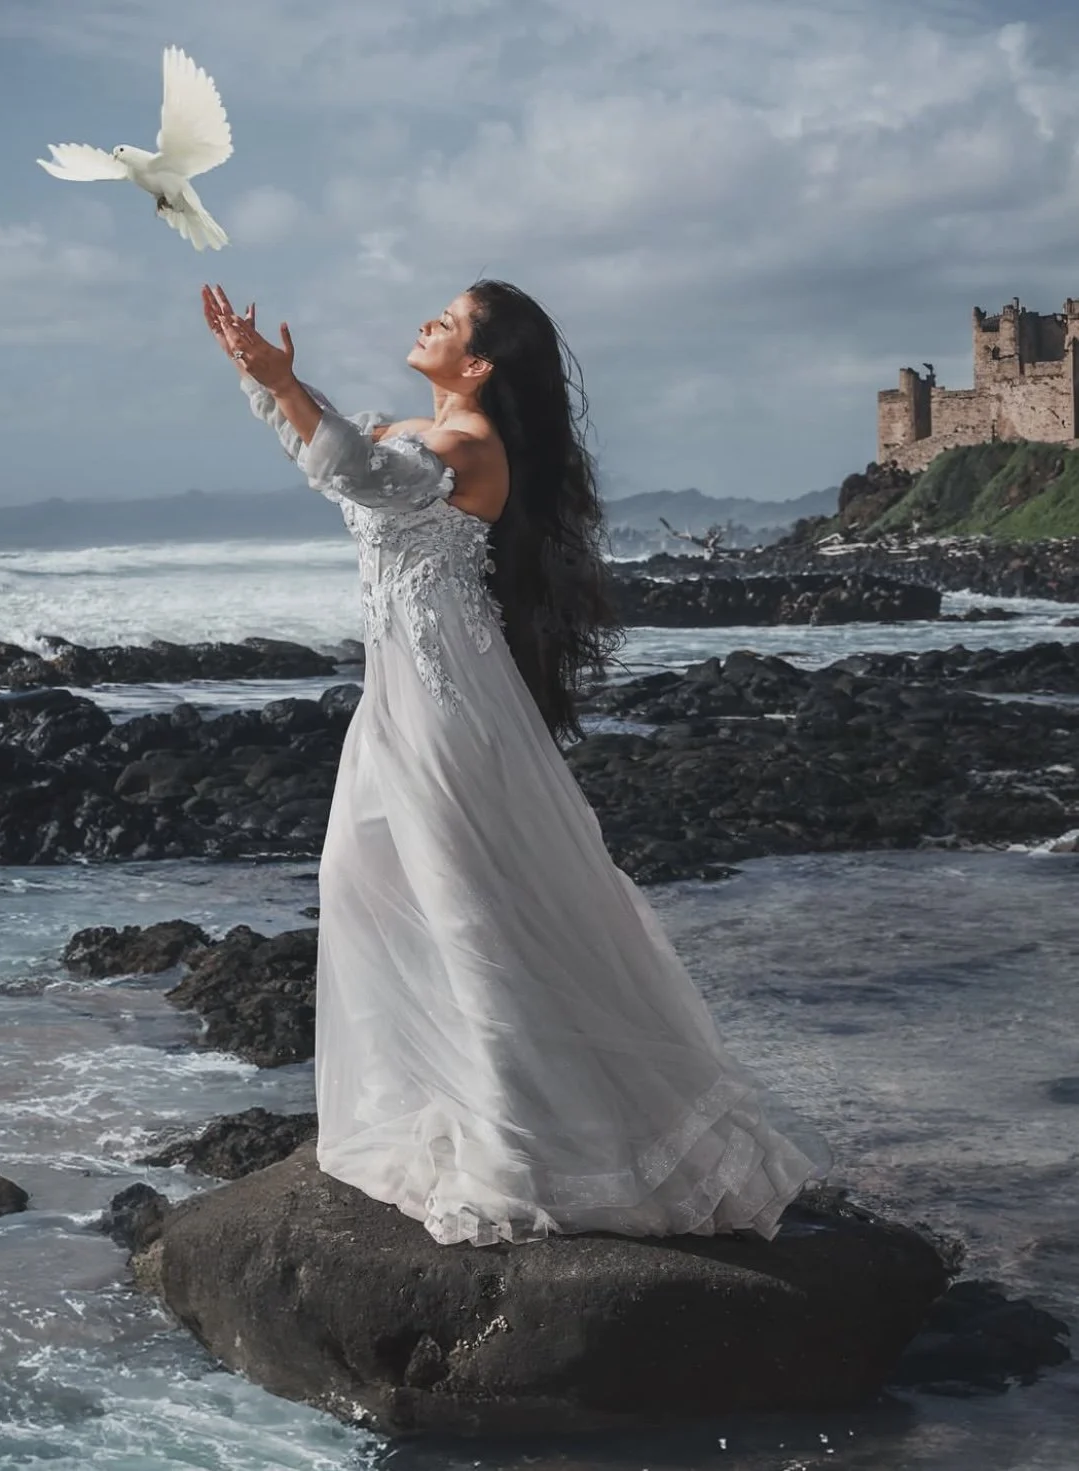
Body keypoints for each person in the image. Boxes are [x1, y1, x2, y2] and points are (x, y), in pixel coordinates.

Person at [202, 280, 829, 1247]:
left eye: (445, 321)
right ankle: (425, 1095)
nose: (426, 322)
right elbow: (335, 449)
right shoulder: (424, 430)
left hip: (450, 703)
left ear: (480, 363)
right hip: (401, 698)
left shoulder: (466, 449)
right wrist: (270, 377)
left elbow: (359, 470)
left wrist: (285, 384)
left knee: (464, 905)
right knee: (360, 880)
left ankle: (520, 1141)